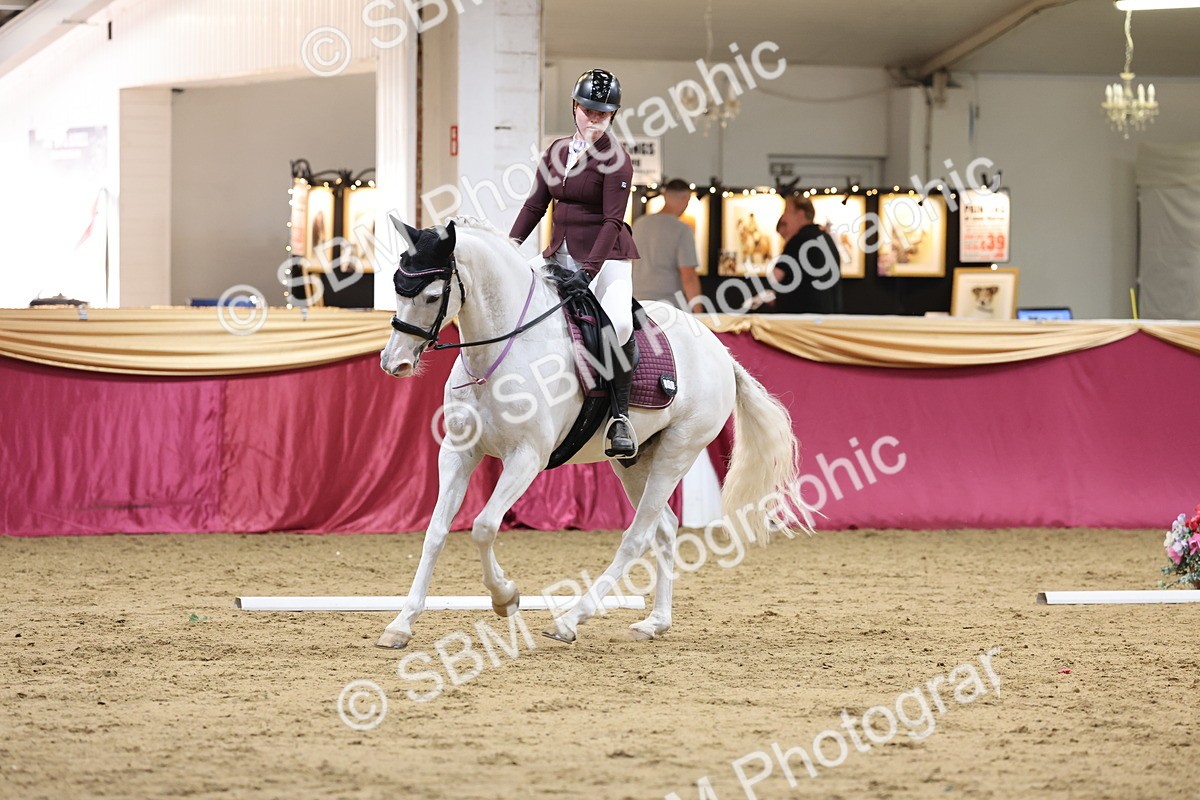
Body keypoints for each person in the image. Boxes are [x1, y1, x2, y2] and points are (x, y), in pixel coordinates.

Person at [509, 68, 641, 458]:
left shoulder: (617, 160)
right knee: (510, 297)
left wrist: (589, 271)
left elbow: (612, 221)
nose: (594, 119)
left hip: (607, 256)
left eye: (603, 114)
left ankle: (620, 417)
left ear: (613, 115)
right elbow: (535, 205)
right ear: (574, 107)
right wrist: (509, 248)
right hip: (558, 252)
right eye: (588, 111)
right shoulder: (555, 151)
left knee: (618, 323)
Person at [631, 178, 702, 311]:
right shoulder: (681, 229)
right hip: (669, 306)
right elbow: (688, 276)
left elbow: (631, 264)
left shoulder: (639, 224)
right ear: (685, 199)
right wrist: (699, 312)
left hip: (638, 302)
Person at [770, 195, 843, 314]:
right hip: (827, 314)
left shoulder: (799, 240)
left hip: (801, 316)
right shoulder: (827, 239)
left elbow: (776, 276)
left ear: (800, 214)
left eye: (787, 212)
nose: (784, 217)